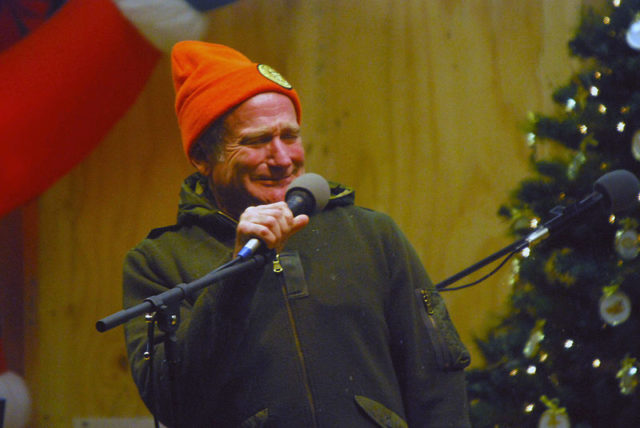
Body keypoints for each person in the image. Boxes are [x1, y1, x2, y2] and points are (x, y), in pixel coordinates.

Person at [123, 40, 471, 427]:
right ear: (203, 156)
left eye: (289, 136)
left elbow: (437, 383)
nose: (283, 158)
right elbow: (173, 404)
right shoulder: (157, 261)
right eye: (256, 141)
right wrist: (238, 272)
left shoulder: (373, 235)